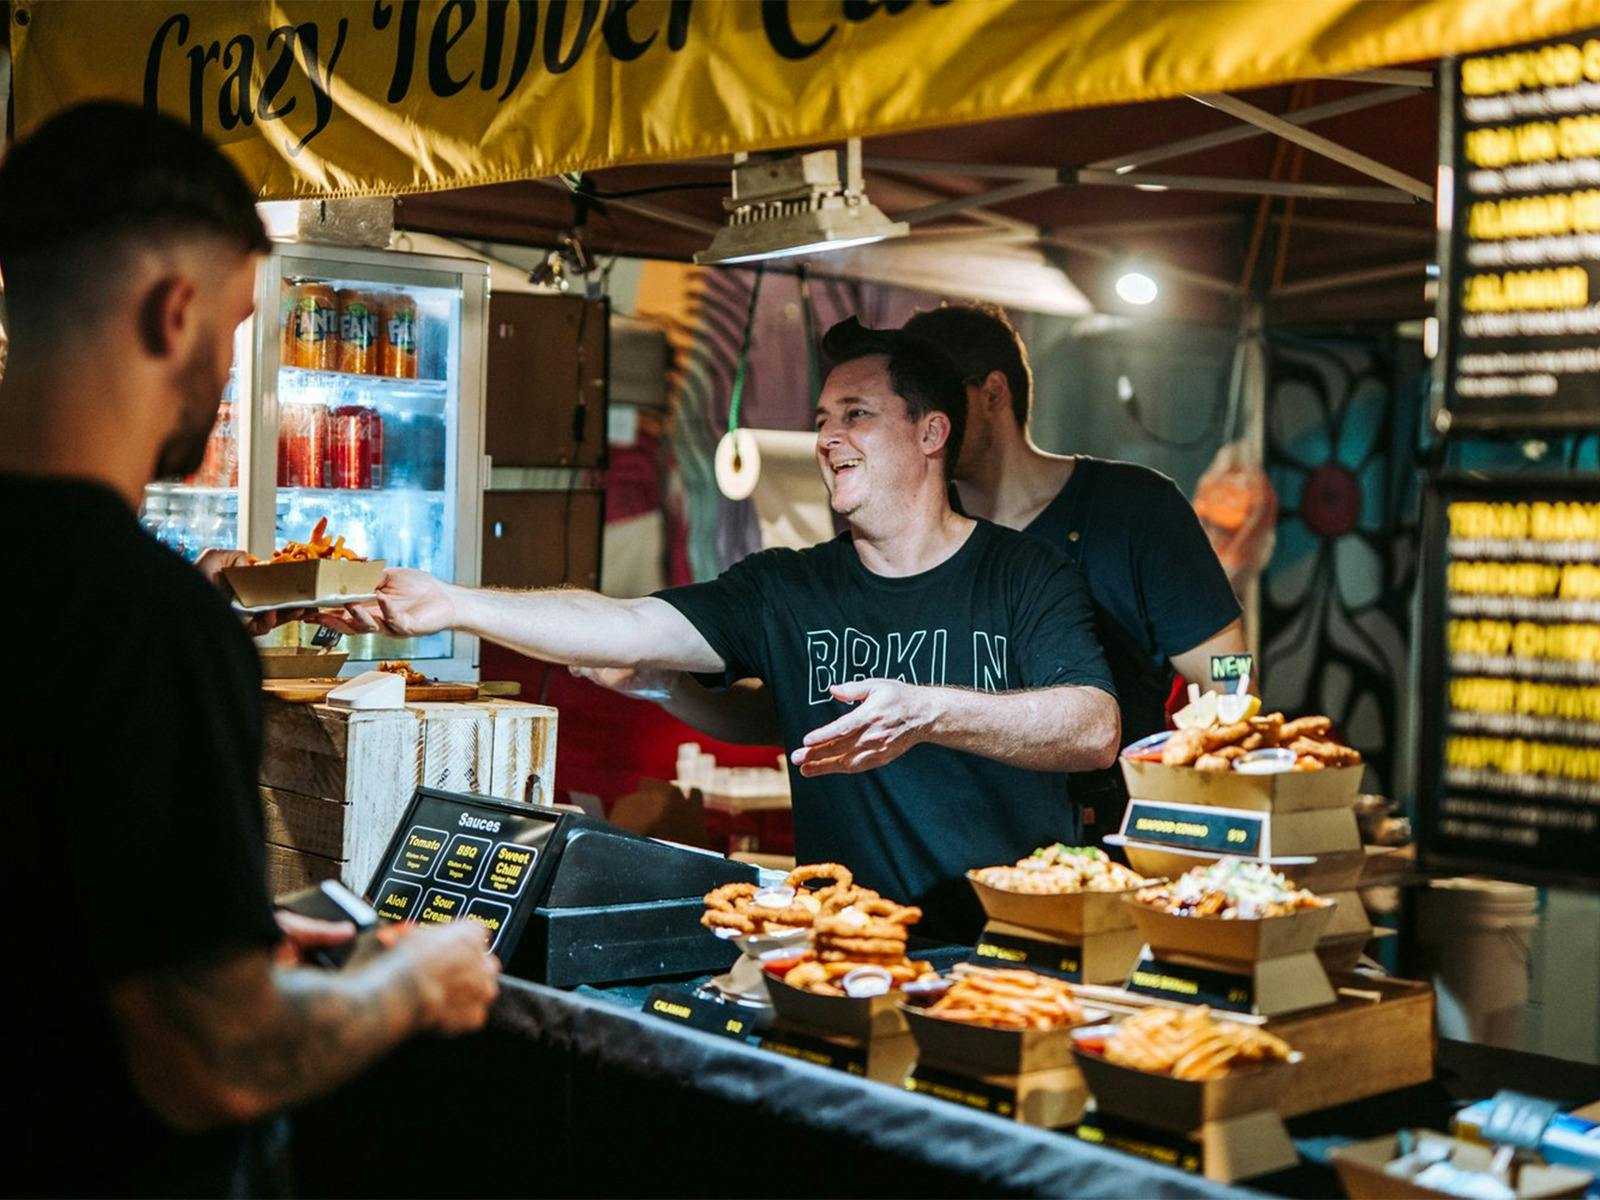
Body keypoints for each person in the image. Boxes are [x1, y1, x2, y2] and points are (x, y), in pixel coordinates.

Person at [0, 102, 500, 1198]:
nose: (232, 373)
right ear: (174, 312)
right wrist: (412, 981)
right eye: (235, 327)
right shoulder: (141, 621)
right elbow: (216, 1058)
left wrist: (220, 925)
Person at [327, 318, 1119, 938]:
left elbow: (1094, 728)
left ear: (931, 433)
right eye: (823, 419)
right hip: (845, 948)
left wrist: (931, 711)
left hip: (1009, 951)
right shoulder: (786, 587)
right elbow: (629, 623)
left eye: (857, 415)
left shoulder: (1024, 574)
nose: (827, 438)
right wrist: (453, 603)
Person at [586, 303, 1245, 844]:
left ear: (991, 394)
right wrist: (669, 688)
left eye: (935, 388)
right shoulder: (907, 533)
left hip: (1108, 835)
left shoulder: (1132, 510)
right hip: (945, 853)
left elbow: (1229, 672)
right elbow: (807, 705)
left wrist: (1214, 795)